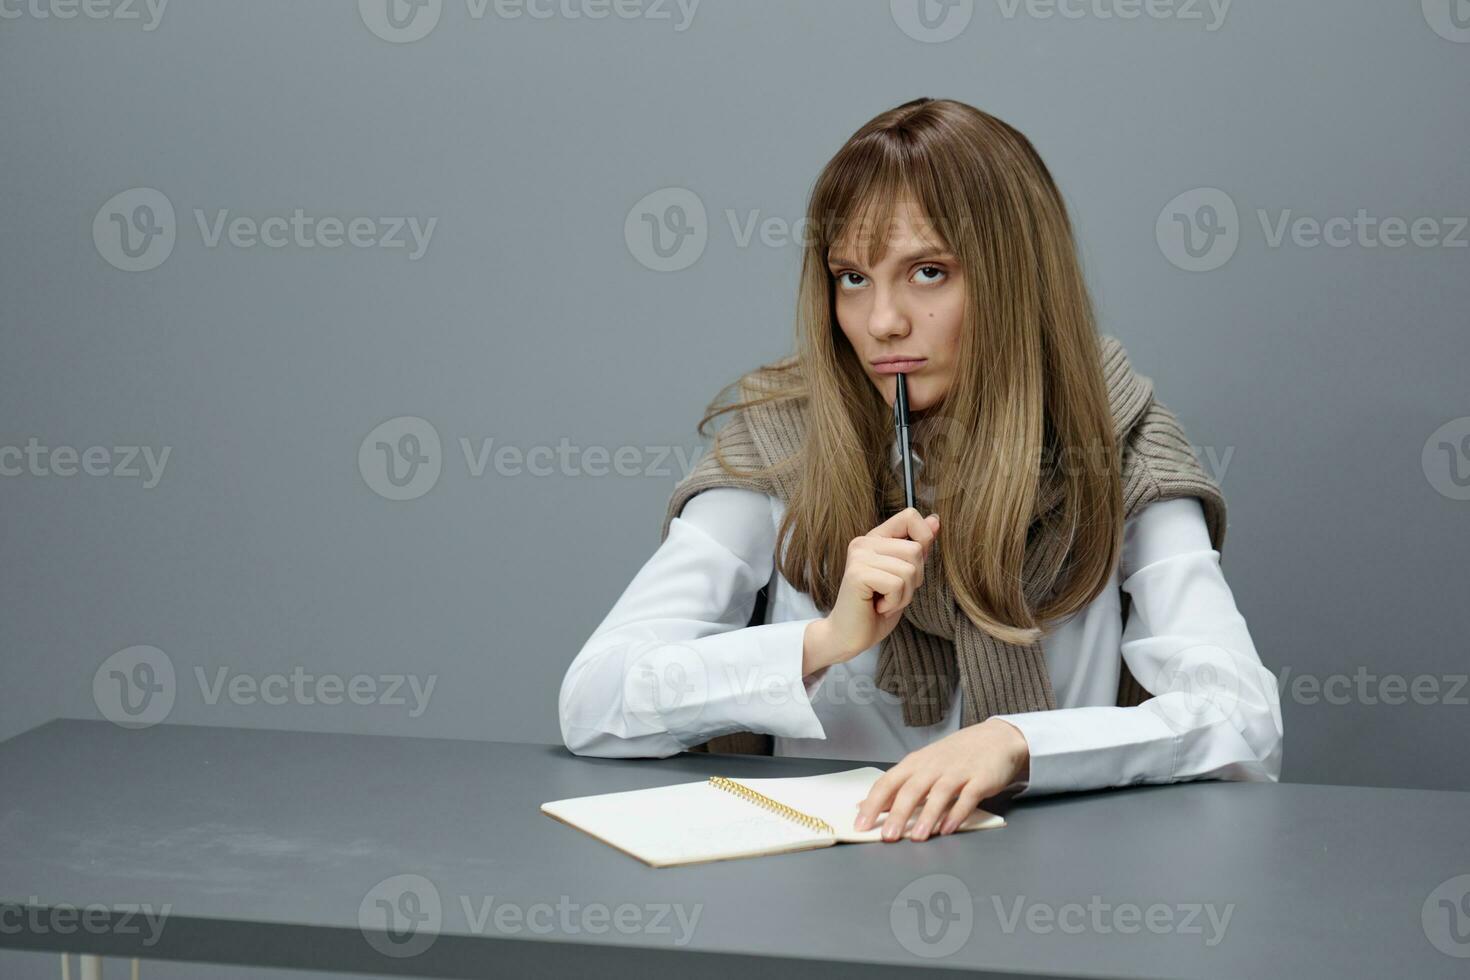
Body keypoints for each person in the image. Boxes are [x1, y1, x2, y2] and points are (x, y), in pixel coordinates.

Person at [559, 97, 1283, 843]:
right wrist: (824, 642)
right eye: (852, 278)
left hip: (1057, 896)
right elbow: (593, 703)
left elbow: (1245, 722)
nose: (882, 323)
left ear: (1015, 281)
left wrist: (1016, 745)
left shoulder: (1118, 444)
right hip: (812, 906)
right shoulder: (781, 443)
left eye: (928, 272)